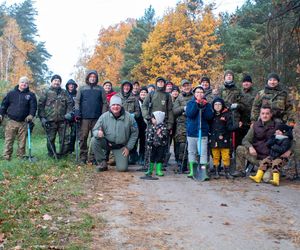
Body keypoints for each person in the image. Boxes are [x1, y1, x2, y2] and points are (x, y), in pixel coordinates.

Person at [91, 95, 139, 172]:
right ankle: (102, 163)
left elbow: (135, 133)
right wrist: (98, 133)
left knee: (122, 169)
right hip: (107, 143)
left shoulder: (129, 117)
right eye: (113, 105)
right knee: (94, 140)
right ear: (110, 106)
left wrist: (128, 147)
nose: (115, 107)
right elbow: (95, 130)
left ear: (121, 106)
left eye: (118, 105)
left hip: (121, 146)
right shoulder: (104, 116)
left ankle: (119, 159)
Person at [232, 106, 278, 177]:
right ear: (260, 114)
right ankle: (240, 171)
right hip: (256, 157)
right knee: (240, 148)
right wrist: (250, 147)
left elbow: (285, 141)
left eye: (267, 114)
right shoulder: (255, 125)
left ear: (271, 115)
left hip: (269, 159)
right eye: (263, 113)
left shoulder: (277, 126)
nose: (264, 116)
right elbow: (245, 140)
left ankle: (270, 171)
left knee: (266, 178)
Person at [74, 70, 108, 164]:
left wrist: (103, 115)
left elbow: (105, 102)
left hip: (97, 118)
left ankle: (93, 158)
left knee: (95, 138)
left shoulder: (100, 89)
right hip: (84, 118)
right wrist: (77, 112)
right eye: (91, 76)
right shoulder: (82, 88)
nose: (92, 78)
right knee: (83, 137)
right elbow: (77, 101)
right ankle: (83, 158)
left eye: (94, 77)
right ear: (88, 77)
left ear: (96, 78)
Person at [0, 76, 37, 160]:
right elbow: (3, 105)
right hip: (11, 121)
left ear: (28, 85)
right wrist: (1, 114)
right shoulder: (11, 93)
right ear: (19, 83)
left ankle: (21, 156)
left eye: (26, 83)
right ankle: (6, 157)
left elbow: (33, 107)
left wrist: (31, 115)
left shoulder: (31, 95)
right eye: (22, 82)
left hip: (24, 122)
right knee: (9, 140)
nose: (24, 84)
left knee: (22, 141)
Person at [38, 74, 73, 157]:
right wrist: (42, 118)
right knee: (50, 139)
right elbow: (40, 105)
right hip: (50, 121)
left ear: (60, 82)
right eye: (55, 81)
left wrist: (69, 114)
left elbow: (70, 104)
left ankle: (63, 155)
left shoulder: (64, 92)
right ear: (52, 82)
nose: (57, 82)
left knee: (65, 139)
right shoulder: (46, 92)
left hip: (63, 120)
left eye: (58, 81)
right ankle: (52, 154)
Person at [186, 86, 214, 178]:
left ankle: (203, 172)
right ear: (194, 93)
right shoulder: (190, 103)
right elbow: (190, 114)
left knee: (203, 153)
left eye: (201, 92)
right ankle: (192, 171)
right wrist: (196, 104)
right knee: (192, 152)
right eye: (197, 92)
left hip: (203, 132)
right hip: (192, 132)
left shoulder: (208, 104)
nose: (199, 94)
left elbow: (209, 117)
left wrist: (204, 107)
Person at [209, 97, 238, 179]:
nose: (217, 106)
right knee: (215, 156)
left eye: (219, 104)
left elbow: (229, 128)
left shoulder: (227, 115)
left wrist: (236, 126)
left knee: (226, 156)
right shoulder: (211, 115)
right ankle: (216, 171)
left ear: (222, 105)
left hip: (224, 138)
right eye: (215, 104)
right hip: (214, 138)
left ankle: (227, 172)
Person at [116, 80, 141, 164]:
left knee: (132, 140)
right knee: (120, 140)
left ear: (130, 88)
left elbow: (138, 112)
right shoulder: (117, 97)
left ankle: (132, 158)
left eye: (128, 86)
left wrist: (133, 115)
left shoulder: (134, 98)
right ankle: (119, 157)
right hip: (119, 122)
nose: (126, 88)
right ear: (122, 87)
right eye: (125, 86)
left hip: (131, 122)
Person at [219, 70, 245, 147]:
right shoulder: (221, 89)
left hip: (235, 117)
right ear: (224, 78)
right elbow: (216, 102)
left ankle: (235, 154)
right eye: (227, 75)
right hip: (224, 116)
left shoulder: (238, 90)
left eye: (230, 75)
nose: (229, 76)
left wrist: (237, 105)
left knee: (235, 138)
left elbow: (243, 105)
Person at [173, 79, 193, 172]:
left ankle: (193, 166)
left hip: (193, 123)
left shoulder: (194, 96)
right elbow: (174, 111)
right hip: (182, 124)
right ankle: (182, 164)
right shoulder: (179, 98)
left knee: (192, 145)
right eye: (184, 86)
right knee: (182, 145)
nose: (186, 87)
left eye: (188, 85)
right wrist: (183, 108)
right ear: (182, 87)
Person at [144, 111, 169, 177]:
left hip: (161, 145)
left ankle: (158, 170)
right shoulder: (151, 127)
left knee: (160, 157)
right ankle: (150, 170)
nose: (152, 120)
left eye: (153, 118)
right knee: (151, 157)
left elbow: (165, 135)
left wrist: (161, 135)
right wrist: (148, 142)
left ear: (158, 119)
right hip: (152, 145)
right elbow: (149, 135)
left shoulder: (163, 127)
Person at [237, 74, 257, 146]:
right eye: (244, 82)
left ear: (251, 83)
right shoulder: (238, 93)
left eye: (248, 82)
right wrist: (238, 120)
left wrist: (254, 121)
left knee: (251, 141)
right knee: (239, 141)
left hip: (252, 120)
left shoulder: (256, 93)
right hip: (241, 121)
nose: (246, 83)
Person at [65, 79, 78, 153]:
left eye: (73, 84)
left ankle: (71, 149)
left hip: (74, 117)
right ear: (67, 86)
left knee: (73, 134)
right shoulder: (64, 93)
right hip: (65, 116)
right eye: (70, 84)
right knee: (65, 134)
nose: (71, 86)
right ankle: (64, 149)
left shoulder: (77, 94)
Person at [136, 86, 148, 165]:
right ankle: (134, 157)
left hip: (145, 124)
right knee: (135, 141)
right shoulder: (136, 101)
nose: (143, 94)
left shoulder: (149, 102)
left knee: (143, 142)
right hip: (137, 124)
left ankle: (142, 156)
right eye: (141, 92)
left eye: (145, 92)